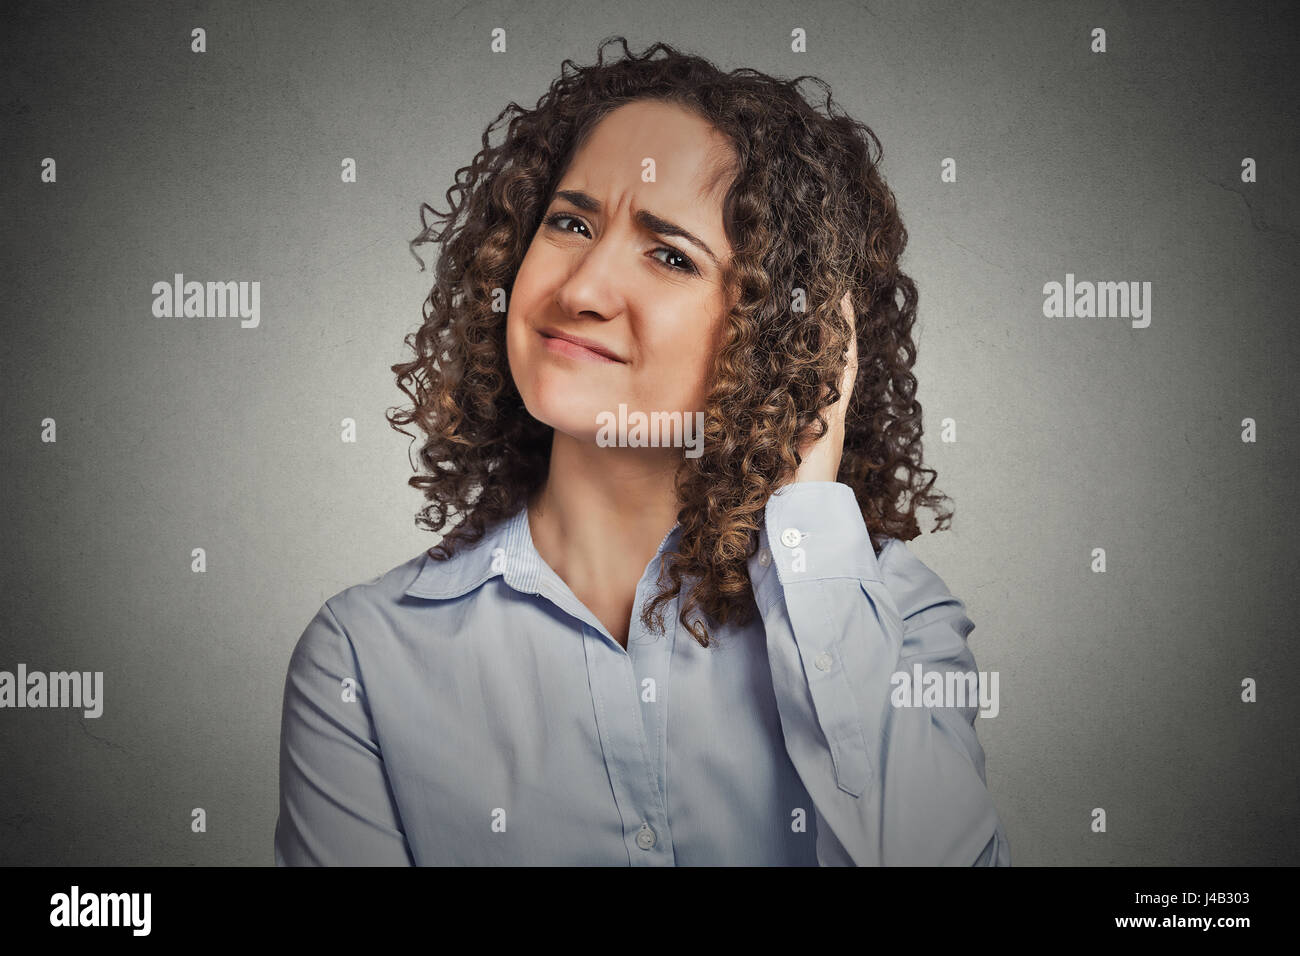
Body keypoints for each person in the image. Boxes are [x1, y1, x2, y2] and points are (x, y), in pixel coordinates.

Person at [274, 37, 1011, 866]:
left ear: (780, 333)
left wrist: (807, 522)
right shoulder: (362, 657)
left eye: (669, 255)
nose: (580, 289)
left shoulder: (893, 614)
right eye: (570, 222)